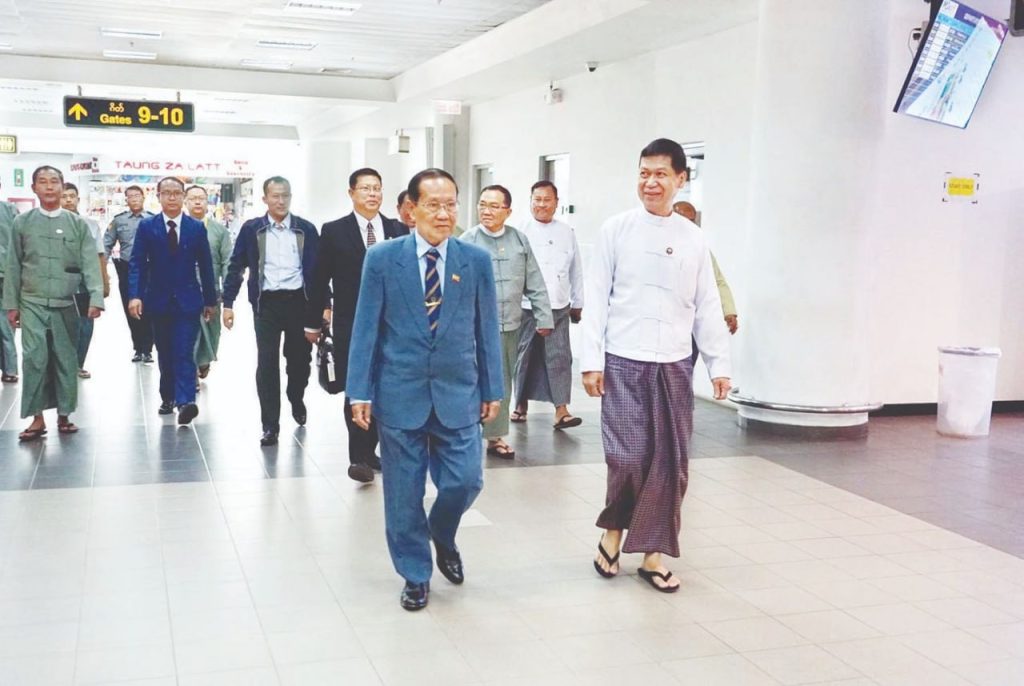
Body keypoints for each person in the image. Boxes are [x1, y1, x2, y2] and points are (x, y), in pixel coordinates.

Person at [347, 168, 503, 611]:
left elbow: (486, 328)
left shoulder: (475, 261)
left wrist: (493, 386)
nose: (444, 213)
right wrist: (359, 390)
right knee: (403, 493)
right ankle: (415, 574)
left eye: (450, 204)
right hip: (400, 391)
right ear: (410, 210)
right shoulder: (382, 259)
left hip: (459, 391)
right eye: (433, 205)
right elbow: (366, 328)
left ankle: (442, 533)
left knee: (465, 480)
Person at [582, 139, 731, 592]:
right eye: (644, 173)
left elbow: (707, 304)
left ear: (681, 179)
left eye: (661, 174)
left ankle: (653, 554)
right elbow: (596, 299)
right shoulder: (616, 229)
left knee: (670, 463)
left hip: (674, 364)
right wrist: (591, 360)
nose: (650, 182)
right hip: (624, 359)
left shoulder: (693, 238)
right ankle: (613, 531)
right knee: (627, 457)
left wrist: (719, 364)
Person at [304, 168, 409, 483]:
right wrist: (313, 321)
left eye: (377, 188)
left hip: (392, 325)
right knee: (357, 386)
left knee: (384, 386)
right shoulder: (334, 231)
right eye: (365, 188)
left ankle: (371, 449)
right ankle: (358, 457)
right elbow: (319, 279)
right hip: (352, 323)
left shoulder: (398, 229)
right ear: (351, 193)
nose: (372, 194)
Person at [2, 166, 104, 440]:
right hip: (31, 301)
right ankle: (36, 418)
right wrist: (11, 305)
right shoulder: (22, 223)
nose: (49, 187)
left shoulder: (77, 224)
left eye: (54, 182)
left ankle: (64, 414)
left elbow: (90, 264)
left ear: (62, 186)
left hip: (66, 302)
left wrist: (96, 297)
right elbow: (13, 265)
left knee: (65, 358)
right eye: (43, 182)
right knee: (34, 358)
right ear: (33, 188)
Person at [223, 176, 319, 446]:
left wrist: (324, 306)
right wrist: (228, 303)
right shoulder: (252, 229)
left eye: (285, 195)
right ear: (264, 199)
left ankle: (296, 396)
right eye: (275, 196)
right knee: (266, 363)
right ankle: (270, 425)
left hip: (299, 302)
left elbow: (318, 271)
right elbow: (236, 266)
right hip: (266, 305)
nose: (281, 201)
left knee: (299, 362)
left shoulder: (305, 229)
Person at [459, 185, 552, 459]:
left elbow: (535, 281)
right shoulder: (467, 241)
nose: (486, 211)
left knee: (500, 382)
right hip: (471, 328)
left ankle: (495, 437)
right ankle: (463, 433)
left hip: (509, 325)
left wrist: (544, 316)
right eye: (482, 204)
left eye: (494, 206)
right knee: (468, 381)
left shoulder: (519, 240)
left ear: (508, 211)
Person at [128, 177, 217, 425]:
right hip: (158, 300)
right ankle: (167, 396)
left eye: (177, 193)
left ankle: (185, 401)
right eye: (166, 193)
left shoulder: (195, 228)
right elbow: (137, 263)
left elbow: (206, 266)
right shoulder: (147, 227)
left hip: (188, 300)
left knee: (184, 351)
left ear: (183, 196)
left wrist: (210, 300)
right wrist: (135, 295)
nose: (172, 197)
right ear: (158, 196)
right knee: (165, 352)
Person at [512, 181, 585, 429]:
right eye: (537, 199)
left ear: (556, 202)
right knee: (524, 356)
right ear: (530, 201)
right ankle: (520, 404)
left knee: (560, 356)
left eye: (547, 200)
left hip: (558, 305)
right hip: (526, 306)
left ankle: (561, 410)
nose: (542, 205)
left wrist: (578, 302)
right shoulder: (519, 231)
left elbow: (576, 269)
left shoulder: (566, 232)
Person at [61, 183, 110, 379]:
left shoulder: (90, 225)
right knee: (61, 324)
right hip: (60, 282)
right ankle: (63, 365)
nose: (68, 200)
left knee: (85, 323)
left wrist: (103, 283)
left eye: (72, 196)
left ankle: (78, 363)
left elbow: (100, 255)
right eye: (64, 196)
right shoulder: (50, 224)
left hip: (85, 281)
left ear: (78, 199)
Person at [185, 185, 234, 382]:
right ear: (186, 202)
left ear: (208, 202)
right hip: (185, 291)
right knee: (188, 332)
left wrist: (227, 292)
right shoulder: (178, 228)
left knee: (212, 331)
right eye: (193, 198)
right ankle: (191, 372)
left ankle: (204, 360)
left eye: (201, 198)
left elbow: (227, 262)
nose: (197, 202)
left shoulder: (219, 231)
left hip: (211, 292)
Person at [672, 201, 739, 337]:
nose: (688, 226)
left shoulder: (701, 250)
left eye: (692, 221)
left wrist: (728, 311)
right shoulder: (656, 244)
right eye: (684, 221)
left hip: (691, 322)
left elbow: (718, 281)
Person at [105, 185, 155, 363]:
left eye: (137, 195)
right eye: (130, 196)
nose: (134, 199)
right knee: (130, 308)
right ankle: (138, 348)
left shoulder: (153, 219)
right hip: (127, 268)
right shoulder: (119, 221)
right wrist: (101, 269)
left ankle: (148, 349)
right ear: (126, 200)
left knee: (149, 309)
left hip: (150, 269)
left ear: (143, 198)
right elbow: (106, 244)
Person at [0, 183, 20, 383]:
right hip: (7, 274)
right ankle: (9, 369)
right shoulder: (11, 211)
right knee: (7, 324)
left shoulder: (10, 211)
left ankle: (10, 368)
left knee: (6, 323)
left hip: (6, 275)